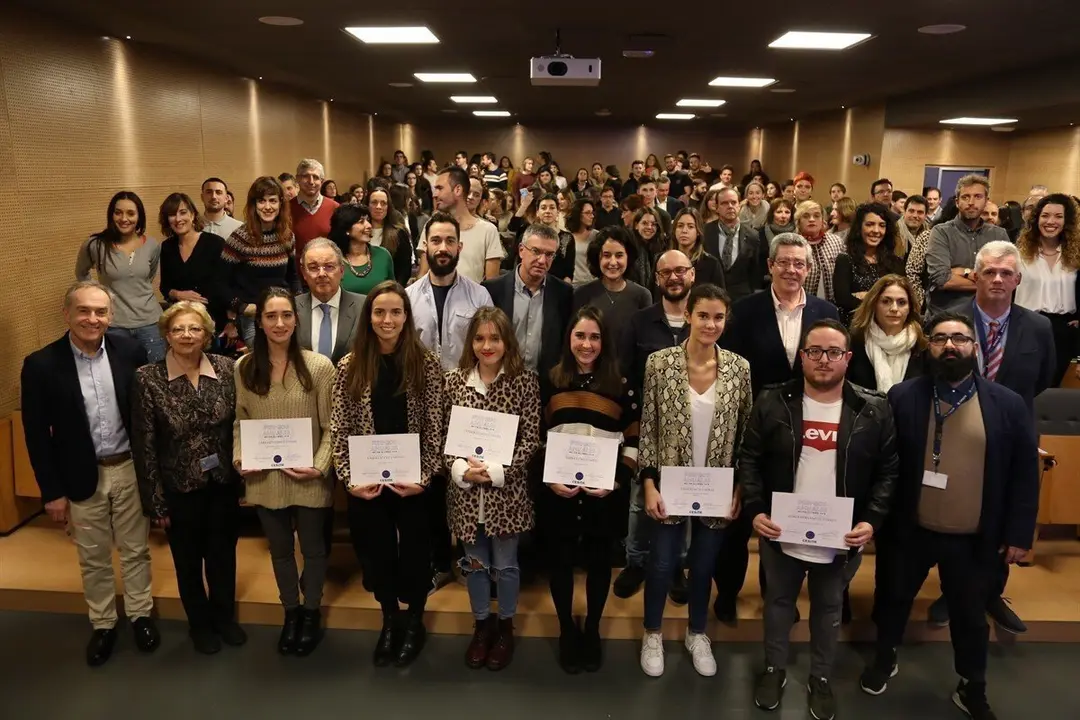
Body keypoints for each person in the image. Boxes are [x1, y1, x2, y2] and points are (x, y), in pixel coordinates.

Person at [861, 312, 1039, 720]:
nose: (950, 346)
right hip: (910, 530)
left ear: (974, 347)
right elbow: (884, 465)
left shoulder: (1007, 404)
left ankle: (971, 685)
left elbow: (1024, 474)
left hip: (974, 535)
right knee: (891, 600)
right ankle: (884, 658)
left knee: (970, 618)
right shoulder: (903, 397)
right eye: (940, 338)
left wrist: (1019, 534)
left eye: (959, 338)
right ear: (929, 347)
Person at [742, 319, 897, 719]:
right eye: (814, 351)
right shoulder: (772, 401)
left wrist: (871, 521)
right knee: (778, 603)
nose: (823, 359)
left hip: (839, 537)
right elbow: (750, 459)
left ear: (848, 358)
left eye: (833, 352)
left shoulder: (874, 409)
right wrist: (755, 510)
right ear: (802, 356)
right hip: (781, 530)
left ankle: (821, 677)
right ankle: (773, 669)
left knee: (828, 610)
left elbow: (888, 472)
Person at [920, 240, 1055, 634]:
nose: (998, 279)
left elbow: (1044, 377)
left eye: (1006, 273)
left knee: (1002, 512)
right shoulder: (948, 320)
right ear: (975, 277)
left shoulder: (1039, 327)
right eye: (990, 272)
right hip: (958, 429)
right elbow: (932, 372)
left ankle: (991, 592)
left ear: (1017, 280)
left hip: (1013, 433)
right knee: (958, 510)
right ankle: (952, 592)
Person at [21, 281, 158, 666]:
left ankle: (141, 615)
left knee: (136, 550)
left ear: (110, 316)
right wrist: (52, 491)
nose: (92, 319)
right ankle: (104, 624)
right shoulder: (41, 365)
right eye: (84, 310)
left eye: (100, 312)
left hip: (128, 468)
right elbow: (36, 435)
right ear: (67, 314)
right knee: (94, 556)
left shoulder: (130, 351)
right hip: (80, 475)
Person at [715, 233, 839, 621]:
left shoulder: (825, 311)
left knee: (783, 514)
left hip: (803, 428)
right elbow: (729, 370)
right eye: (783, 262)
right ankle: (727, 594)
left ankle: (776, 595)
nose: (791, 270)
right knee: (739, 520)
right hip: (751, 426)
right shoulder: (744, 310)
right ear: (770, 266)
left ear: (809, 268)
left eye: (799, 263)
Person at [637, 283, 752, 678]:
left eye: (718, 317)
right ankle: (652, 632)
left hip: (718, 487)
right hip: (670, 484)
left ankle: (697, 633)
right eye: (703, 315)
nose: (710, 324)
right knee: (662, 562)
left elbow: (745, 434)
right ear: (688, 315)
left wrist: (740, 487)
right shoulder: (659, 364)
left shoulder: (739, 368)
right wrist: (648, 483)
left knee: (704, 566)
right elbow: (649, 428)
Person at [330, 281, 444, 667]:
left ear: (407, 317)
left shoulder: (426, 363)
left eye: (396, 312)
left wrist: (425, 477)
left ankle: (415, 620)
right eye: (379, 312)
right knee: (376, 553)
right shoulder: (350, 365)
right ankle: (390, 618)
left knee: (416, 553)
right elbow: (340, 427)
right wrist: (350, 479)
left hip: (414, 482)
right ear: (369, 317)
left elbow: (435, 425)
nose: (387, 319)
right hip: (369, 483)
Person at [132, 301, 244, 655]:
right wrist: (155, 501)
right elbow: (145, 443)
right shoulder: (147, 378)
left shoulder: (227, 369)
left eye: (194, 328)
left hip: (222, 483)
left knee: (223, 556)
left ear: (207, 334)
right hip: (178, 487)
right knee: (188, 561)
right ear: (166, 335)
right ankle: (200, 625)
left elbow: (239, 424)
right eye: (178, 329)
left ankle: (224, 618)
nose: (186, 335)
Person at [232, 288, 335, 657]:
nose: (279, 323)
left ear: (296, 319)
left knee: (314, 550)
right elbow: (240, 422)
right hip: (265, 479)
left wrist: (319, 466)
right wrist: (240, 458)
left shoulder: (319, 367)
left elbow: (332, 428)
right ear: (259, 322)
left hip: (309, 476)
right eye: (271, 316)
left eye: (286, 315)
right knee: (279, 551)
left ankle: (311, 612)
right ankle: (290, 612)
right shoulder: (244, 368)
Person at [538, 307, 639, 674]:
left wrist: (617, 480)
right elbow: (538, 436)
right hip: (559, 492)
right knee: (561, 564)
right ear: (569, 338)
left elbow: (634, 439)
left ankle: (592, 628)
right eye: (580, 335)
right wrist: (549, 478)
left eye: (594, 337)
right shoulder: (551, 380)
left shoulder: (621, 384)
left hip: (603, 495)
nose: (587, 344)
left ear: (604, 341)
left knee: (599, 564)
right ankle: (567, 628)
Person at [444, 307, 542, 671]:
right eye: (480, 338)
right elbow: (442, 436)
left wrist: (499, 471)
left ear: (507, 342)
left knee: (506, 566)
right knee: (475, 565)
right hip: (467, 497)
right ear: (470, 342)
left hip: (506, 496)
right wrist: (460, 469)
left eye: (495, 338)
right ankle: (482, 626)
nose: (487, 346)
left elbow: (531, 439)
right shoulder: (453, 382)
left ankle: (505, 628)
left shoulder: (524, 382)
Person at [613, 250, 696, 602]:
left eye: (680, 270)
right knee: (638, 500)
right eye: (666, 272)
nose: (674, 277)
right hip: (645, 425)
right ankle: (636, 562)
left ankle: (677, 566)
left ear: (692, 274)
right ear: (657, 278)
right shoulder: (640, 321)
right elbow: (626, 372)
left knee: (683, 500)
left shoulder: (703, 319)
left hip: (693, 427)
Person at [76, 191, 165, 362]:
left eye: (131, 213)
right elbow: (81, 273)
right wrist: (99, 295)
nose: (124, 218)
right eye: (118, 212)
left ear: (139, 217)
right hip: (115, 324)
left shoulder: (152, 245)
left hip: (151, 323)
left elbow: (148, 278)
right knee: (120, 373)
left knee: (156, 372)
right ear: (111, 215)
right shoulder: (95, 244)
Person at [407, 211, 494, 371]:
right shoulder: (409, 297)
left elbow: (489, 349)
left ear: (459, 247)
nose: (443, 248)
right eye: (436, 241)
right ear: (425, 246)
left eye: (450, 241)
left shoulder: (479, 296)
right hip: (419, 383)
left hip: (466, 383)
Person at [483, 224, 574, 377]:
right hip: (500, 380)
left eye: (549, 254)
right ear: (521, 250)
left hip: (545, 383)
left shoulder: (564, 293)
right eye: (536, 251)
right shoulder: (492, 290)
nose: (542, 260)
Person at [221, 176, 297, 347]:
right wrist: (242, 307)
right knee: (263, 356)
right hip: (253, 317)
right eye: (262, 201)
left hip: (283, 312)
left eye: (273, 201)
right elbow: (220, 284)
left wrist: (298, 302)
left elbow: (293, 277)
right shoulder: (239, 238)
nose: (267, 207)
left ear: (281, 203)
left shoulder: (288, 236)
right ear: (254, 205)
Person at [1014, 193, 1080, 388]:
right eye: (1045, 215)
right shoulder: (1018, 254)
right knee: (1024, 385)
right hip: (1025, 326)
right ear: (1036, 219)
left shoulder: (1076, 256)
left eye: (1058, 216)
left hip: (1063, 332)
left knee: (1051, 388)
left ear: (1067, 221)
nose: (1051, 221)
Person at [924, 175, 1009, 314]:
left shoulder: (999, 235)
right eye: (965, 197)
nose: (971, 202)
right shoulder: (941, 232)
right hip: (946, 314)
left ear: (986, 201)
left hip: (988, 314)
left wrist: (961, 271)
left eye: (978, 197)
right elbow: (942, 279)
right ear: (957, 202)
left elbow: (1006, 278)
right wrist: (990, 282)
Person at [416, 166, 503, 282]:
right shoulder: (431, 226)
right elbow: (422, 275)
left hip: (475, 293)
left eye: (440, 188)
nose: (435, 195)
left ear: (457, 190)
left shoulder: (488, 230)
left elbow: (492, 284)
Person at [158, 192, 228, 333]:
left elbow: (227, 285)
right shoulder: (167, 247)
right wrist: (177, 294)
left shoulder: (215, 243)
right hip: (181, 321)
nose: (178, 219)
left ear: (193, 214)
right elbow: (165, 287)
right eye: (172, 214)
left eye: (183, 212)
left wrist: (231, 321)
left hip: (212, 321)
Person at [572, 227, 653, 346]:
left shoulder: (642, 296)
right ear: (598, 258)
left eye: (619, 255)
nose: (613, 262)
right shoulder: (582, 294)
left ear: (628, 257)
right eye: (607, 255)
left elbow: (645, 341)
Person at [847, 275, 927, 392]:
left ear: (910, 307)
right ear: (873, 304)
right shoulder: (855, 341)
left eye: (901, 302)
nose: (894, 308)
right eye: (886, 301)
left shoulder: (922, 345)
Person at [832, 203, 906, 325]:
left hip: (887, 327)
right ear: (859, 228)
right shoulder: (845, 260)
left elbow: (901, 298)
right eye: (870, 224)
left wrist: (867, 296)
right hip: (855, 327)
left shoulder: (896, 262)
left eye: (882, 225)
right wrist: (884, 299)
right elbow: (844, 300)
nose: (876, 231)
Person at [295, 238, 365, 364]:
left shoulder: (364, 306)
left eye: (329, 267)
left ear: (342, 270)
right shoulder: (291, 308)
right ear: (304, 273)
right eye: (313, 268)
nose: (321, 274)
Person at [704, 187, 762, 301]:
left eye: (734, 202)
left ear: (739, 205)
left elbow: (755, 271)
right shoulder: (705, 232)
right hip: (711, 296)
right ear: (717, 208)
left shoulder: (753, 235)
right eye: (724, 203)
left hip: (742, 298)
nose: (730, 206)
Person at [327, 202, 394, 296]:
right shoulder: (332, 260)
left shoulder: (383, 255)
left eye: (368, 220)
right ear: (346, 228)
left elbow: (393, 292)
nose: (369, 225)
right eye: (361, 222)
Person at [290, 159, 340, 277]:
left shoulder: (336, 208)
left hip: (327, 277)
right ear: (297, 179)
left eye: (316, 177)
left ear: (322, 181)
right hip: (296, 277)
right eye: (306, 176)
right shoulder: (285, 209)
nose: (311, 181)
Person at [796, 200, 846, 303]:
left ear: (823, 220)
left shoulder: (836, 241)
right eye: (806, 216)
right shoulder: (793, 244)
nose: (812, 219)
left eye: (816, 216)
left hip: (834, 304)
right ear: (798, 221)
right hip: (801, 304)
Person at [367, 186, 415, 286]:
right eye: (374, 202)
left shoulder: (399, 233)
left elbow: (404, 270)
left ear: (388, 207)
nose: (378, 207)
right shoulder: (358, 231)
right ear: (367, 205)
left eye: (383, 203)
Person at [671, 207, 725, 290]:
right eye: (680, 226)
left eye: (690, 226)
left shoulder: (711, 264)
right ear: (674, 230)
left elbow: (719, 296)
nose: (684, 230)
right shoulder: (663, 260)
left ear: (698, 232)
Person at [899, 195, 934, 307]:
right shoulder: (893, 234)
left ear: (926, 215)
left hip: (922, 296)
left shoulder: (932, 237)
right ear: (904, 211)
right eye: (911, 211)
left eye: (920, 212)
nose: (915, 216)